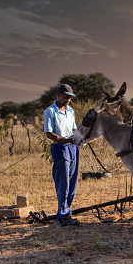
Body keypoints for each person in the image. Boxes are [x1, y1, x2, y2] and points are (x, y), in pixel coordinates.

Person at [43, 84, 80, 227]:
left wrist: (78, 138)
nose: (68, 100)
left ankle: (64, 214)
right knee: (63, 183)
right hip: (60, 148)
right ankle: (64, 216)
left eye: (70, 97)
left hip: (73, 148)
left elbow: (74, 129)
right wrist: (66, 140)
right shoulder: (50, 111)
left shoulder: (70, 111)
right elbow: (48, 133)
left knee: (72, 183)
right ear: (58, 95)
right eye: (66, 97)